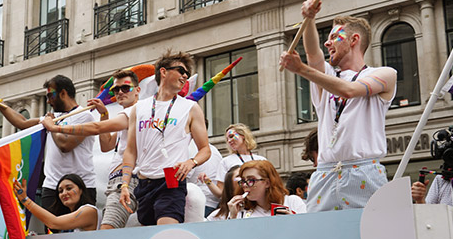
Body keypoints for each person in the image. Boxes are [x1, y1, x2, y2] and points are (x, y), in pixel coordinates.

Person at [279, 0, 397, 212]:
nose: (327, 43)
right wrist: (309, 19)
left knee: (372, 235)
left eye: (334, 37)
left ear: (354, 39)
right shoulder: (326, 77)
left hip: (364, 172)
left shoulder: (384, 75)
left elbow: (349, 91)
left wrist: (301, 69)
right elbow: (313, 53)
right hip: (324, 174)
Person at [0, 75, 95, 217]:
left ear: (63, 93)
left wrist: (51, 126)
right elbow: (22, 123)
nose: (48, 101)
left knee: (80, 234)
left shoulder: (84, 116)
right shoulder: (52, 118)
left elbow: (65, 145)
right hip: (52, 186)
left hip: (81, 186)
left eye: (50, 96)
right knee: (52, 234)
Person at [119, 50, 211, 225]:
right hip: (144, 183)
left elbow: (205, 149)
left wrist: (191, 162)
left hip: (172, 181)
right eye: (181, 71)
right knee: (151, 237)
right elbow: (130, 151)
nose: (185, 76)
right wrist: (124, 185)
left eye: (187, 74)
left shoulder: (191, 107)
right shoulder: (139, 108)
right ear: (163, 71)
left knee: (166, 232)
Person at [41, 69, 141, 229]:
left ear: (137, 90)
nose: (120, 92)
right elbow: (106, 145)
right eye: (116, 89)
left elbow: (95, 128)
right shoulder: (128, 116)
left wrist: (55, 128)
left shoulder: (136, 111)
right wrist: (104, 115)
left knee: (106, 230)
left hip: (129, 178)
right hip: (121, 180)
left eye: (125, 88)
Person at [14, 174, 100, 232]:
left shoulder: (89, 210)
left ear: (81, 190)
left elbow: (54, 223)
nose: (64, 193)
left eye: (69, 188)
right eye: (60, 191)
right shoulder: (68, 216)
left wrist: (25, 200)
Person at [227, 160, 306, 219]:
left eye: (251, 180)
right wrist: (232, 217)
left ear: (267, 183)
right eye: (243, 180)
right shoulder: (240, 211)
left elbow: (308, 232)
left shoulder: (292, 202)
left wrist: (293, 221)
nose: (245, 185)